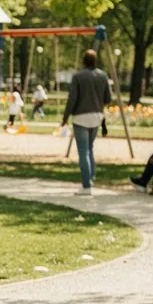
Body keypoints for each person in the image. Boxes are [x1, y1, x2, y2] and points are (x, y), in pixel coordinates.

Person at [61, 49, 111, 195]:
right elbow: (108, 98)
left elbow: (72, 99)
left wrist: (65, 118)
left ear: (83, 61)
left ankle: (86, 185)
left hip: (81, 116)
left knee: (83, 151)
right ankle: (90, 178)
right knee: (90, 148)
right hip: (96, 116)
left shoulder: (78, 76)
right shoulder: (102, 76)